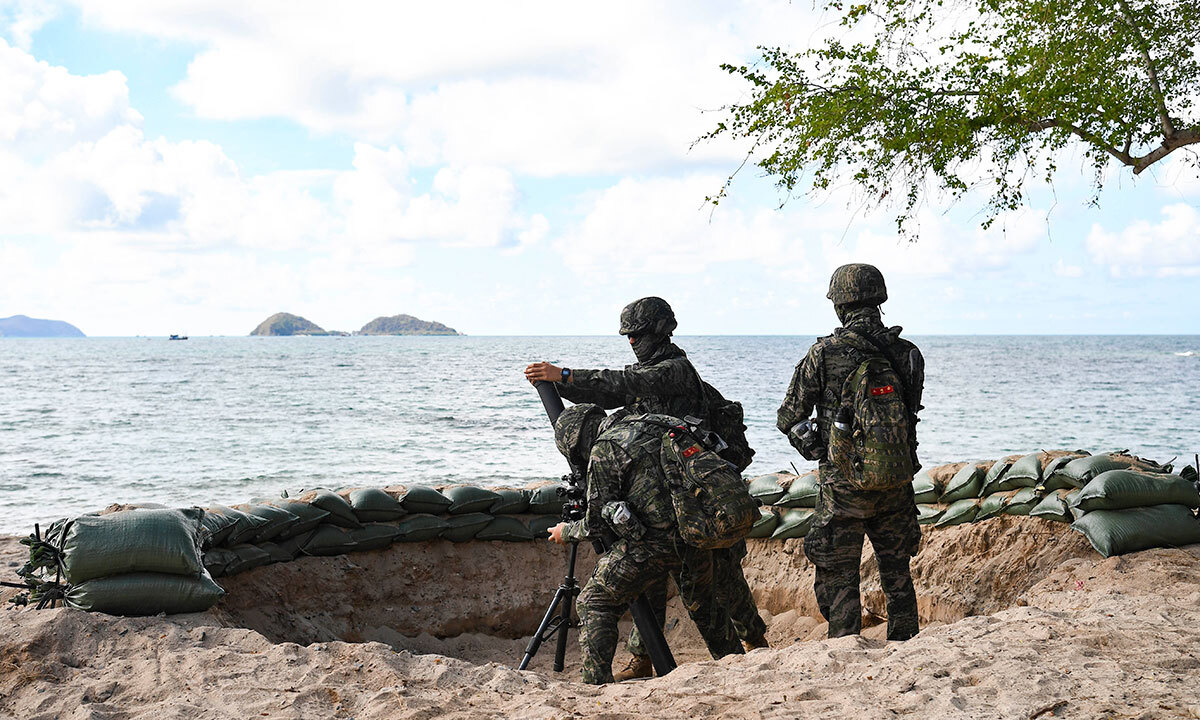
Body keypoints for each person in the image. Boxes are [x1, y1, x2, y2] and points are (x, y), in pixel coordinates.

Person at [525, 297, 767, 681]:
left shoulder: (675, 370)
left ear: (660, 330)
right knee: (654, 584)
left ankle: (754, 649)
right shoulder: (646, 376)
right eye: (628, 336)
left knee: (718, 588)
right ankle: (645, 658)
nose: (633, 342)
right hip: (661, 502)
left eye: (638, 334)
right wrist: (561, 386)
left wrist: (565, 375)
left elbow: (624, 382)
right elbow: (609, 392)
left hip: (694, 500)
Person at [776, 263, 925, 641]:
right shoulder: (908, 354)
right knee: (897, 570)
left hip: (844, 488)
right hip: (895, 479)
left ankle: (845, 642)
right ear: (880, 298)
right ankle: (905, 640)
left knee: (839, 574)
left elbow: (789, 416)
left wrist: (813, 446)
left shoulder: (825, 353)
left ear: (840, 303)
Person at [546, 404, 743, 685]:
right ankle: (738, 672)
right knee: (707, 611)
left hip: (656, 544)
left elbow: (595, 524)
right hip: (699, 532)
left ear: (578, 440)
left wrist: (565, 532)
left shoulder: (605, 448)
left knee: (594, 601)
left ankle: (595, 685)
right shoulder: (657, 422)